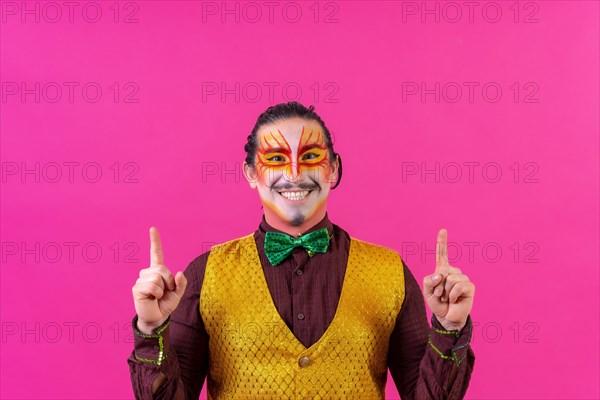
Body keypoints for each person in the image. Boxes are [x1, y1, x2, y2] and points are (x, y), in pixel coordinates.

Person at [128, 102, 476, 399]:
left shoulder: (389, 271)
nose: (294, 175)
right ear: (251, 173)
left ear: (333, 168)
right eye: (276, 158)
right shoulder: (206, 273)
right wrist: (151, 327)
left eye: (310, 156)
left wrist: (448, 327)